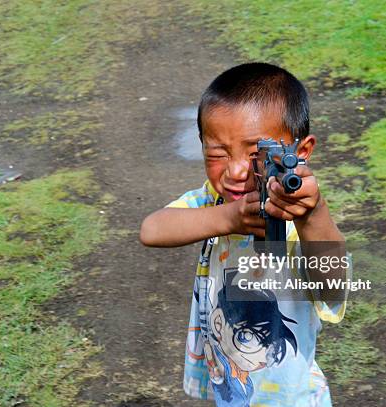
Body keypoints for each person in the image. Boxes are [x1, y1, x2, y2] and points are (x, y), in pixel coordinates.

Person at [140, 62, 348, 406]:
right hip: (232, 386)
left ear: (300, 153)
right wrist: (229, 217)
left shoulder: (297, 215)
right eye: (217, 154)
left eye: (256, 155)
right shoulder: (215, 200)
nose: (235, 170)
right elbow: (152, 229)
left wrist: (314, 215)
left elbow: (333, 286)